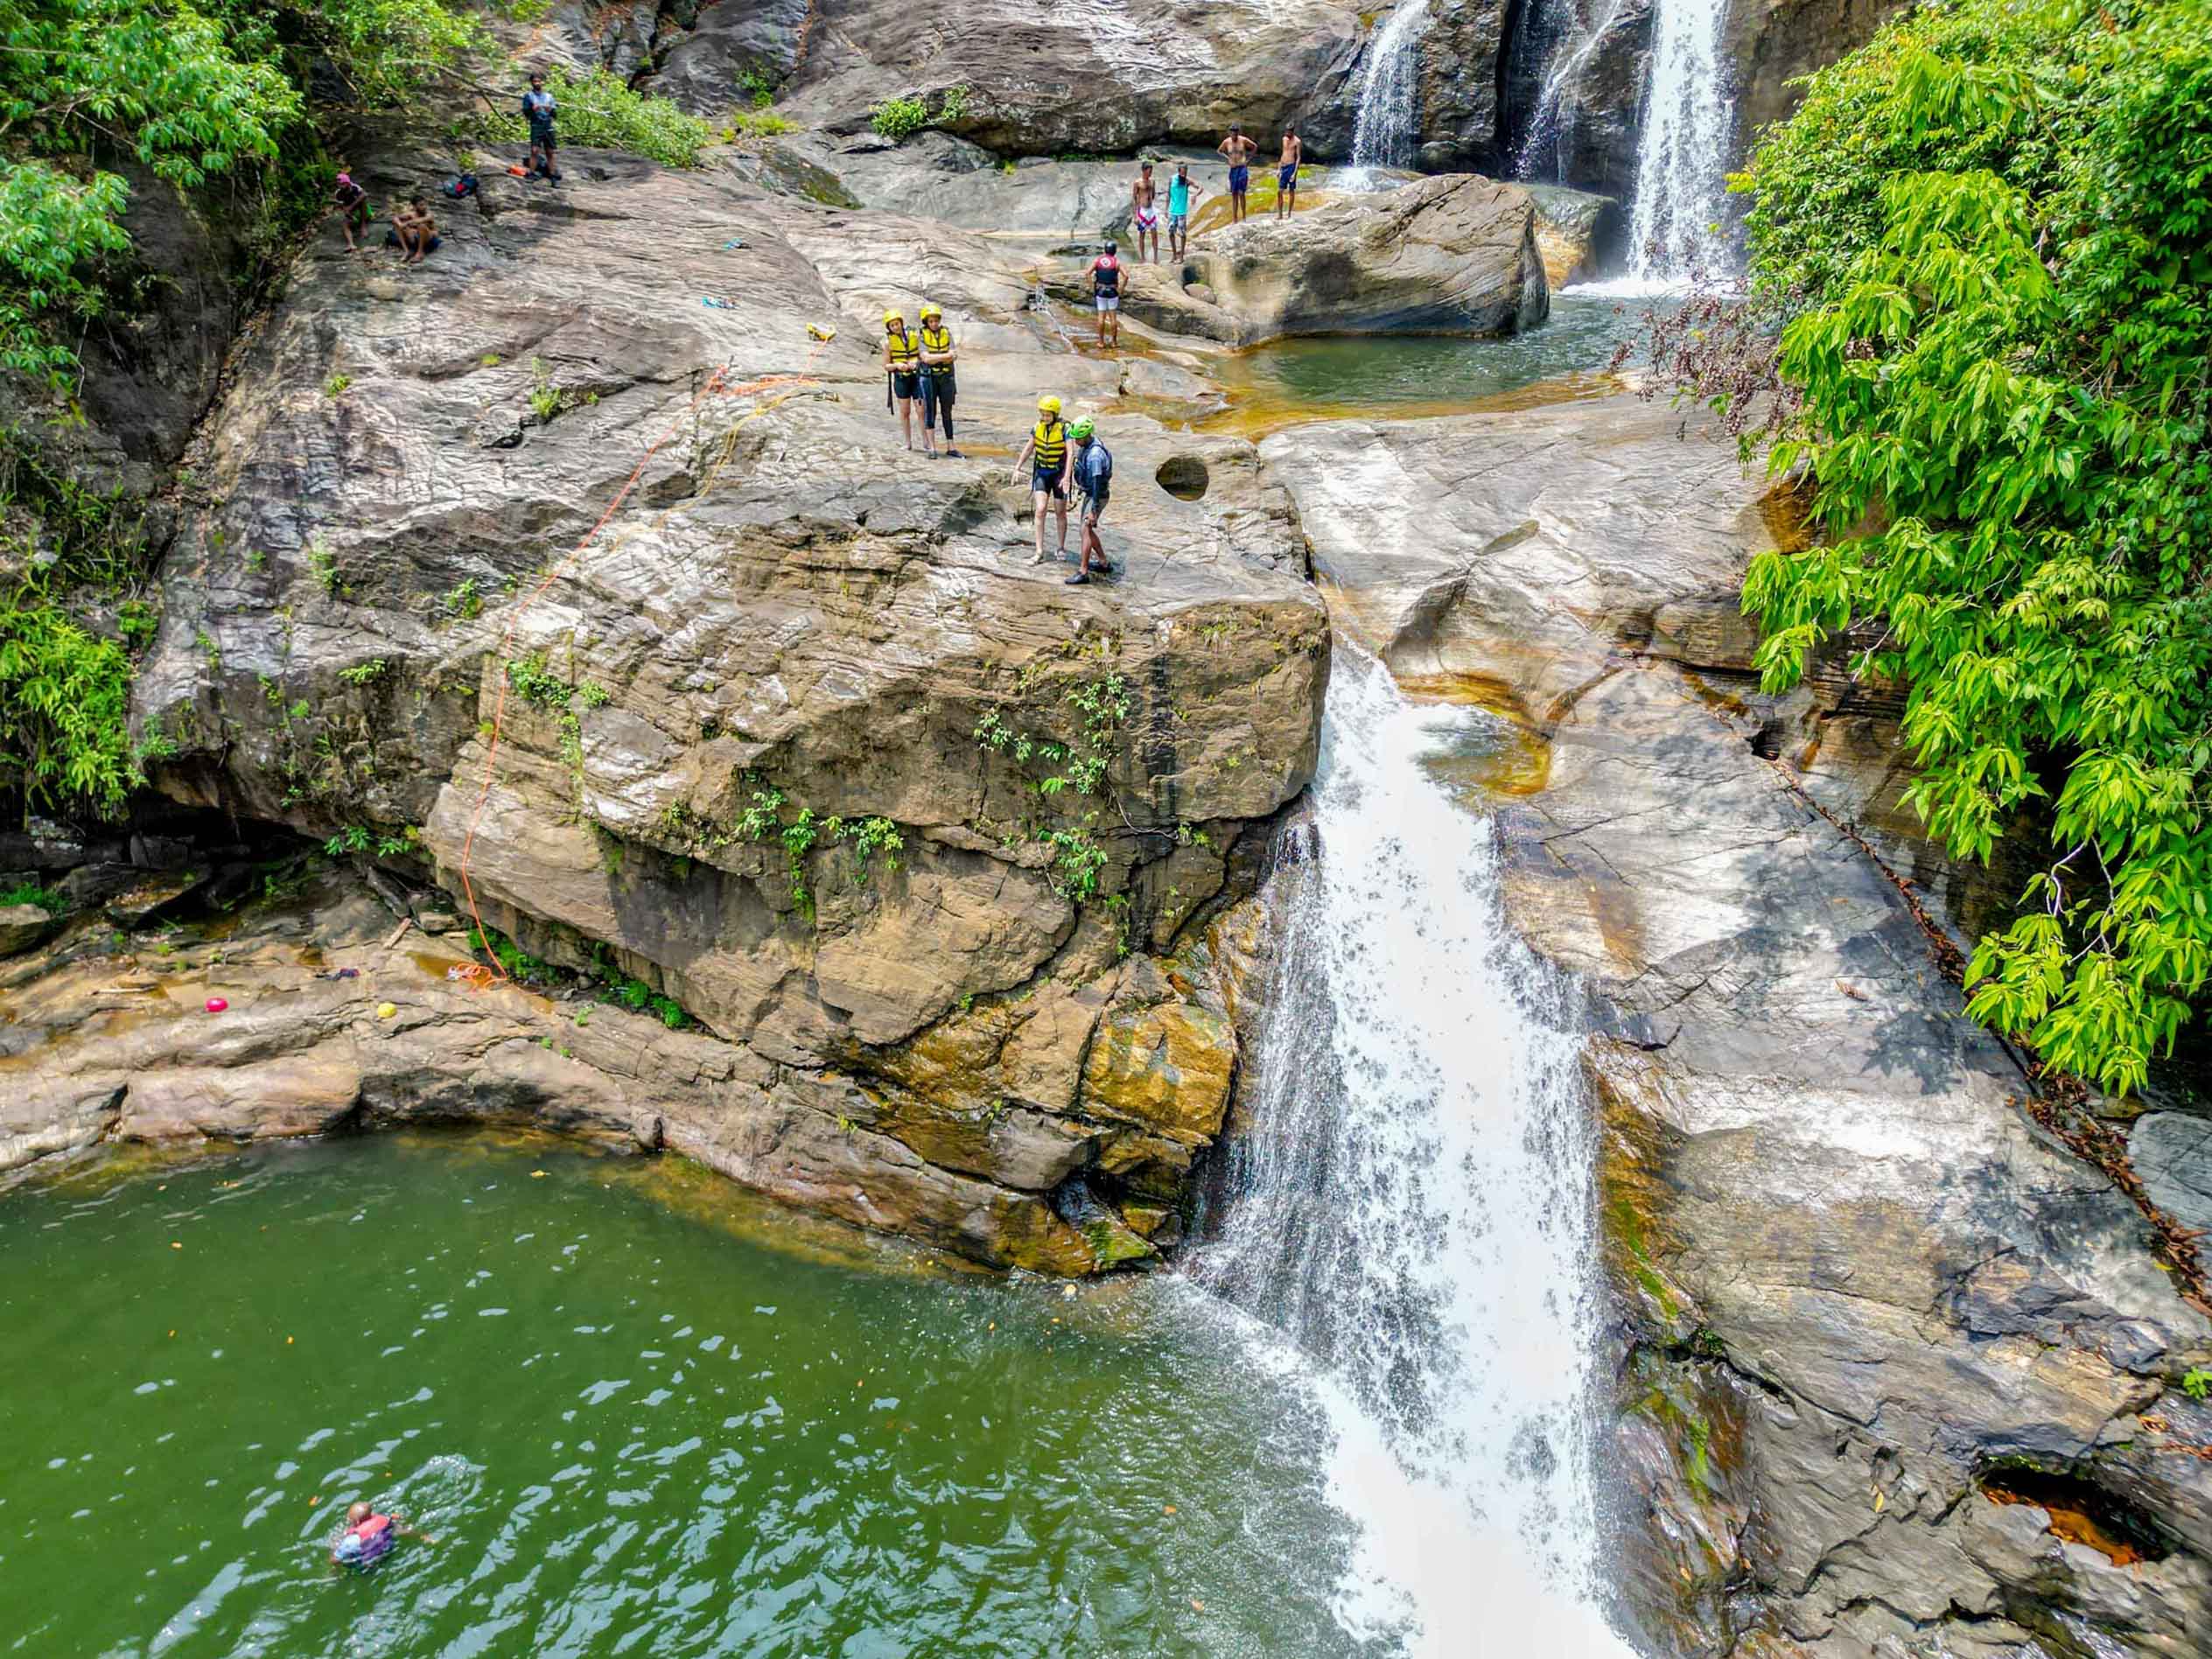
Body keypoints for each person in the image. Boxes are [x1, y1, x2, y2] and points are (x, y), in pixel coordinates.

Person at [1011, 395, 1071, 564]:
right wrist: (1017, 467)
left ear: (1055, 414)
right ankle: (1039, 551)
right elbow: (1029, 447)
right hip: (1042, 473)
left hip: (1059, 474)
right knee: (1041, 508)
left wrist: (1067, 477)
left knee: (1060, 511)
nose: (1044, 418)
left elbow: (1071, 453)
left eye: (1047, 415)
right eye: (1042, 414)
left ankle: (1060, 547)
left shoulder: (1065, 429)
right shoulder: (1037, 427)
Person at [1066, 416, 1114, 584]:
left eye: (1077, 438)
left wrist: (1093, 510)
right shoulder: (1089, 444)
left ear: (1086, 435)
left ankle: (1083, 571)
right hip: (1090, 494)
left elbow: (1097, 482)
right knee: (1085, 530)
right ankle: (1103, 563)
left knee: (1085, 530)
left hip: (1097, 496)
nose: (1075, 441)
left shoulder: (1095, 455)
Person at [329, 1502, 431, 1571]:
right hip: (387, 1552)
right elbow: (404, 1531)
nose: (348, 1519)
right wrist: (423, 1536)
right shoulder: (384, 1521)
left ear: (357, 1521)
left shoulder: (351, 1541)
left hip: (368, 1565)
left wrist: (333, 1549)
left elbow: (335, 1560)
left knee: (335, 1545)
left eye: (349, 1518)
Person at [917, 302, 961, 458]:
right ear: (926, 322)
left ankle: (951, 446)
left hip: (946, 378)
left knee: (947, 411)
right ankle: (932, 448)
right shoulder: (921, 335)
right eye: (931, 321)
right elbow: (925, 358)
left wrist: (937, 358)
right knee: (931, 411)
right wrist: (944, 356)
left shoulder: (946, 333)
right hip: (929, 379)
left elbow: (953, 355)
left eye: (936, 320)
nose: (934, 323)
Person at [883, 311, 923, 451]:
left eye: (897, 324)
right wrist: (897, 365)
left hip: (916, 378)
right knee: (905, 411)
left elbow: (921, 356)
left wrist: (916, 363)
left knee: (921, 410)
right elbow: (886, 366)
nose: (895, 327)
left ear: (901, 323)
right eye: (892, 325)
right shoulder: (888, 343)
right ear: (889, 327)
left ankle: (926, 442)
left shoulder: (913, 336)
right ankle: (908, 443)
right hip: (901, 380)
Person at [523, 73, 561, 183]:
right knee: (534, 150)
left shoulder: (549, 97)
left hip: (548, 126)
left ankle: (553, 176)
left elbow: (555, 114)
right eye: (535, 81)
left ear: (542, 82)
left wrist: (551, 110)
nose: (537, 83)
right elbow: (526, 113)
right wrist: (532, 110)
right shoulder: (528, 96)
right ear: (531, 83)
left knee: (550, 151)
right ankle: (531, 174)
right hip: (536, 125)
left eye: (539, 81)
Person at [1217, 125, 1258, 223]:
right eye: (1232, 132)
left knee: (1241, 193)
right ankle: (1235, 218)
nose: (1234, 134)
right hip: (1233, 169)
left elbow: (1255, 146)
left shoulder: (1243, 140)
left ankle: (1244, 217)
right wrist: (1227, 158)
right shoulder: (1227, 142)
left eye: (1235, 132)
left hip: (1242, 167)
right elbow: (1219, 151)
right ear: (1229, 132)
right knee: (1234, 194)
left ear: (1238, 132)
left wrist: (1248, 160)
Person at [1088, 241, 1123, 348]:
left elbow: (1087, 273)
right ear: (1115, 251)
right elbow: (1126, 276)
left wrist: (1091, 287)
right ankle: (1114, 342)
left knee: (1101, 317)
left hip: (1101, 291)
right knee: (1113, 318)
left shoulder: (1098, 260)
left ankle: (1101, 342)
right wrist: (1121, 289)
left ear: (1105, 250)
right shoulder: (1116, 262)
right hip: (1112, 292)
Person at [386, 197, 439, 264]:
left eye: (425, 204)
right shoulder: (411, 214)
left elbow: (418, 221)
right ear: (414, 206)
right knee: (397, 224)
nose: (424, 207)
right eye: (421, 205)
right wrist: (400, 224)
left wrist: (406, 223)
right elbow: (395, 218)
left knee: (421, 226)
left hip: (429, 240)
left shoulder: (429, 215)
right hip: (415, 239)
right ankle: (406, 251)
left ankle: (420, 253)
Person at [1167, 162, 1201, 260]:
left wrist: (1195, 195)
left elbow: (1200, 187)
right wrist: (1166, 209)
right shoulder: (1172, 179)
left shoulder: (1187, 181)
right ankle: (1174, 255)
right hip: (1172, 211)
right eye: (1182, 173)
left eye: (1185, 173)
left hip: (1182, 212)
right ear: (1178, 172)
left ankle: (1181, 256)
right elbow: (1168, 194)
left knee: (1182, 234)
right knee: (1171, 233)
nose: (1184, 175)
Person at [332, 170, 370, 255]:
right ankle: (351, 244)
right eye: (339, 184)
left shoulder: (355, 187)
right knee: (344, 223)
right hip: (353, 213)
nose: (340, 186)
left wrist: (351, 206)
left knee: (363, 202)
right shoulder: (338, 193)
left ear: (348, 183)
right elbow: (343, 206)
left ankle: (363, 225)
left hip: (364, 211)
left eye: (342, 184)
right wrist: (347, 212)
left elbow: (364, 195)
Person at [1130, 161, 1161, 264]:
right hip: (1142, 211)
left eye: (1151, 171)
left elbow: (1153, 194)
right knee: (1142, 234)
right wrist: (1135, 216)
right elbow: (1134, 198)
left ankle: (1156, 257)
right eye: (1149, 171)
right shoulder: (1137, 182)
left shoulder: (1152, 181)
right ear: (1143, 171)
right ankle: (1142, 258)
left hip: (1151, 210)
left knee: (1154, 234)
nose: (1150, 173)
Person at [1276, 127, 1303, 220]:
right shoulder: (1284, 139)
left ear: (1292, 131)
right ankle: (1280, 214)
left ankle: (1289, 213)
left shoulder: (1297, 141)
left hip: (1291, 167)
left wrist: (1294, 173)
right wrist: (1279, 169)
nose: (1287, 133)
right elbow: (1283, 154)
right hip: (1284, 167)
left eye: (1288, 131)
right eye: (1286, 131)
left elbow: (1298, 157)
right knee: (1279, 191)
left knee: (1291, 191)